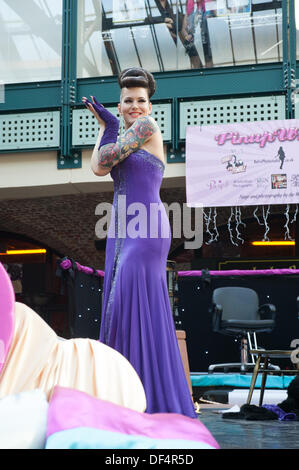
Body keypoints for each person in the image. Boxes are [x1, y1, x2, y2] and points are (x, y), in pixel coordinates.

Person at [82, 67, 196, 418]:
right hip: (120, 228)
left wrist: (112, 128)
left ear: (150, 103)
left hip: (145, 228)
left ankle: (147, 398)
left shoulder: (148, 127)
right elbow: (98, 168)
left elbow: (107, 160)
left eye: (141, 100)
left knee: (133, 302)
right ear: (120, 103)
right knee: (119, 304)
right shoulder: (122, 130)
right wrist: (106, 127)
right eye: (128, 100)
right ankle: (122, 395)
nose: (135, 106)